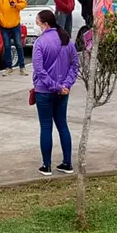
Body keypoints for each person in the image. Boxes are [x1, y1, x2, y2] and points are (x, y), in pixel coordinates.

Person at [32, 10, 79, 176]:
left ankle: (47, 165)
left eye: (37, 23)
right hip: (63, 92)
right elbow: (75, 65)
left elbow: (39, 70)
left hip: (44, 91)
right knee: (62, 125)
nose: (37, 26)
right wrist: (65, 85)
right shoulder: (67, 40)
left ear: (45, 24)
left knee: (46, 127)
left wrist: (55, 86)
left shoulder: (40, 43)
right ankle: (67, 162)